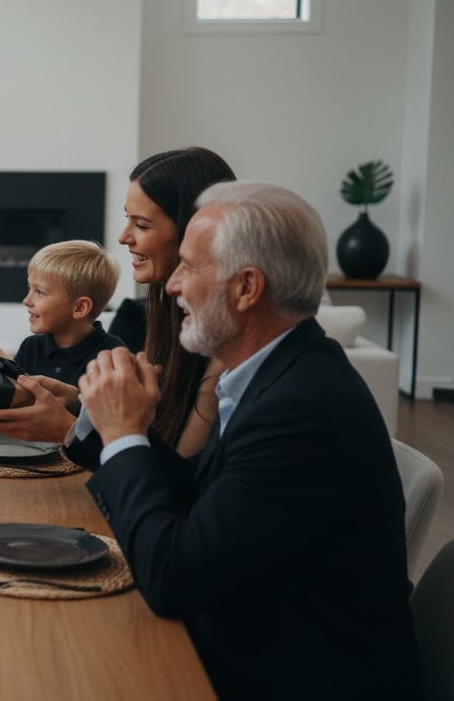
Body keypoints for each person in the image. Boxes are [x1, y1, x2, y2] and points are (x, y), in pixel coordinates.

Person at [76, 181, 419, 699]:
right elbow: (204, 497)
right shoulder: (277, 373)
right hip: (251, 635)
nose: (172, 286)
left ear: (246, 287)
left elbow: (174, 578)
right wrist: (112, 425)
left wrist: (124, 435)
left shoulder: (300, 408)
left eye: (189, 266)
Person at [0, 147, 235, 453]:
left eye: (142, 224)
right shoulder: (165, 320)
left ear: (196, 231)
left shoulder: (224, 353)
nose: (123, 237)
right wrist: (80, 401)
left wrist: (67, 431)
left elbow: (183, 474)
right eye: (127, 219)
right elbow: (152, 432)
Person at [13, 240, 124, 387]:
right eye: (29, 288)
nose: (26, 300)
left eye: (40, 292)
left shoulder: (112, 355)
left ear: (79, 308)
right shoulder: (31, 347)